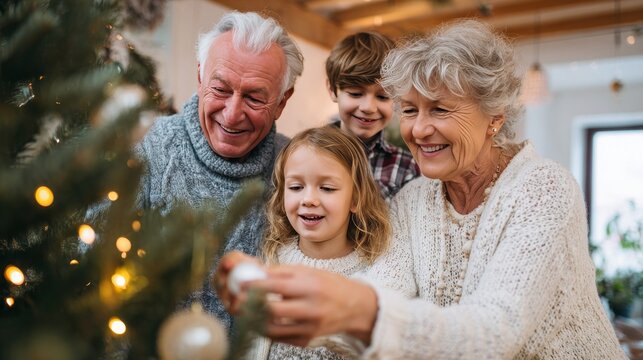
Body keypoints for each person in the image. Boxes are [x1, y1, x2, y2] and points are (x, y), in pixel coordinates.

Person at [217, 19, 627, 359]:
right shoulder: (414, 198)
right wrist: (300, 303)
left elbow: (497, 331)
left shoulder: (544, 189)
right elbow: (381, 288)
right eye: (410, 110)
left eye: (440, 109)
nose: (418, 129)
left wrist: (359, 312)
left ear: (495, 117)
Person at [134, 11, 303, 332]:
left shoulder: (296, 167)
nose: (232, 113)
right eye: (221, 89)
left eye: (254, 97)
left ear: (282, 101)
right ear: (200, 77)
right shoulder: (145, 148)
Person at [245, 125, 391, 359]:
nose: (309, 199)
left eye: (327, 188)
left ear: (355, 199)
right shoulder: (272, 261)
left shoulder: (371, 275)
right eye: (296, 187)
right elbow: (252, 343)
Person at [325, 31, 419, 202]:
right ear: (332, 90)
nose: (368, 107)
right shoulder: (306, 153)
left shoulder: (408, 167)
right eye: (355, 93)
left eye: (383, 97)